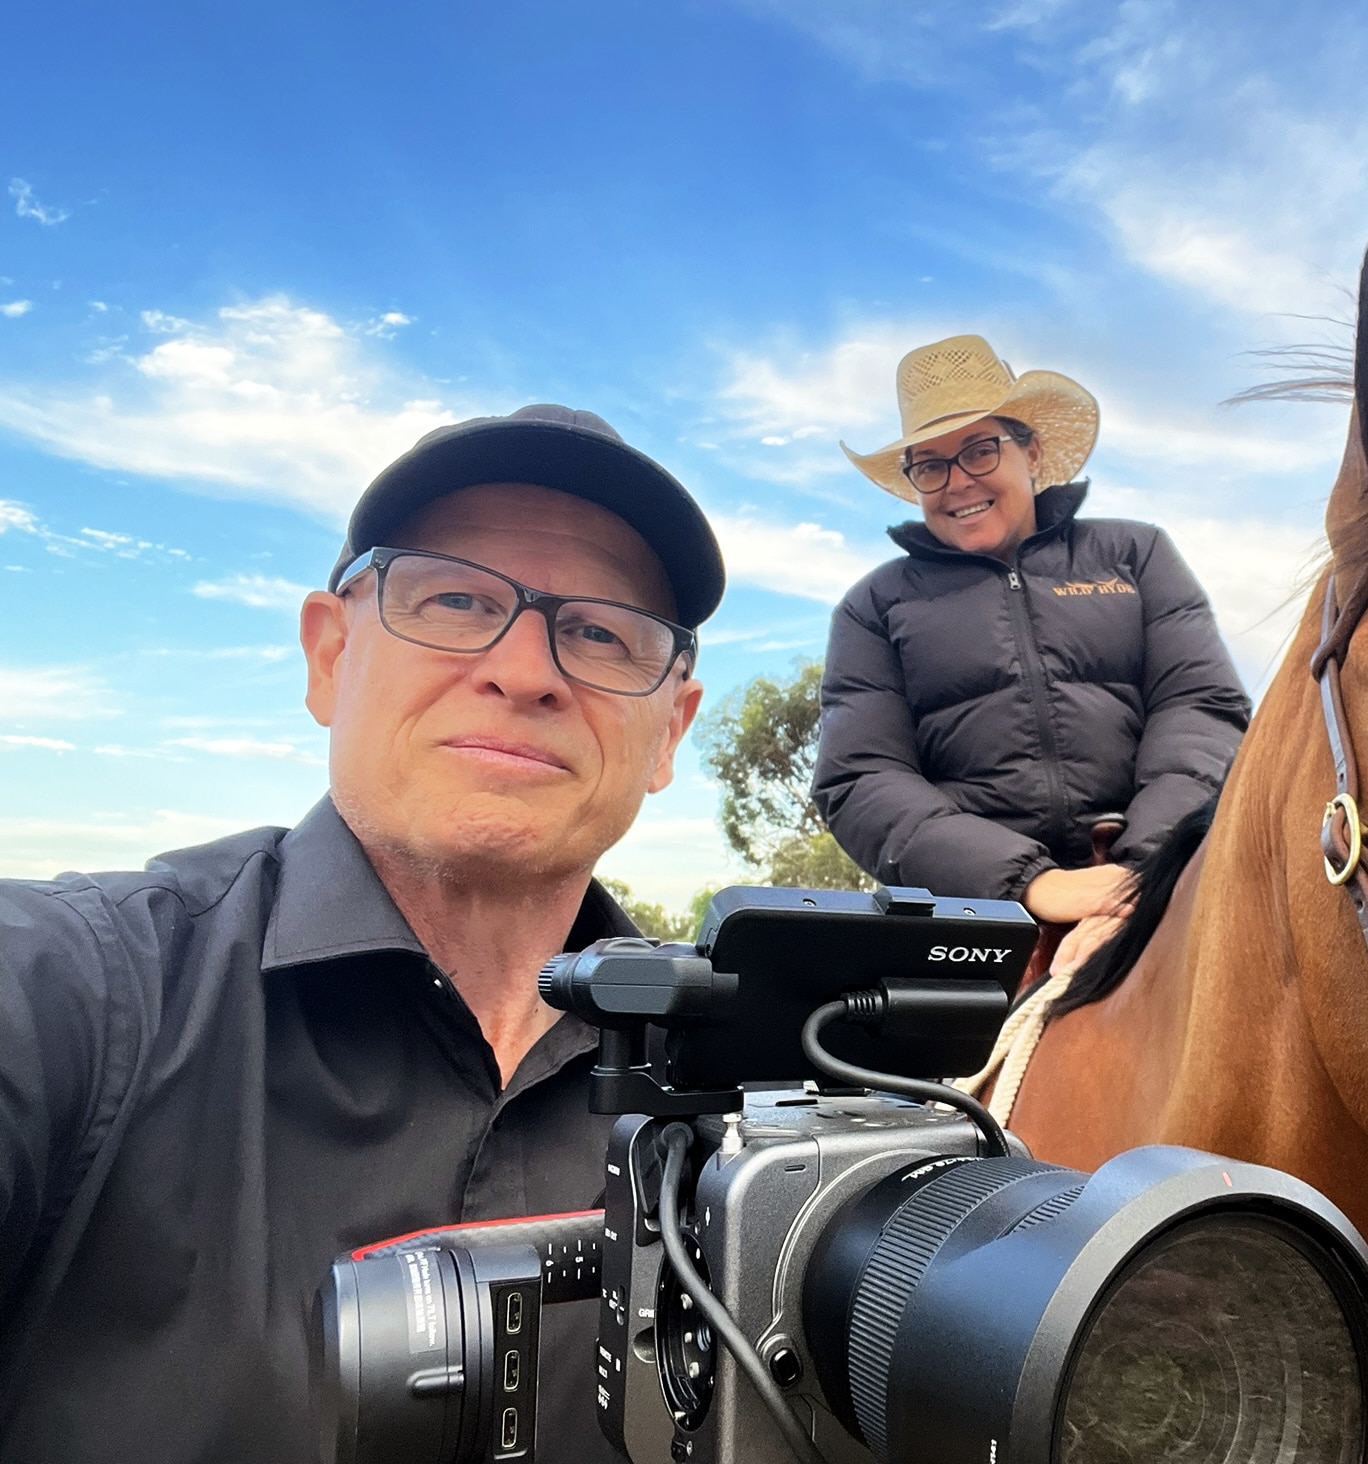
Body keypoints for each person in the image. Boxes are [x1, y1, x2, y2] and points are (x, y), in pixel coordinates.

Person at [0, 406, 722, 1463]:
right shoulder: (72, 992)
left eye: (601, 632)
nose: (526, 672)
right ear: (330, 654)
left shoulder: (750, 1100)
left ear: (670, 729)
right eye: (457, 599)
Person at [814, 335, 1250, 977]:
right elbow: (860, 779)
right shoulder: (874, 606)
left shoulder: (1136, 556)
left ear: (1032, 450)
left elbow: (1201, 708)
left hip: (1166, 888)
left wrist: (1136, 873)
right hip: (977, 927)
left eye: (979, 449)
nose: (957, 482)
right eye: (930, 465)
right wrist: (1031, 882)